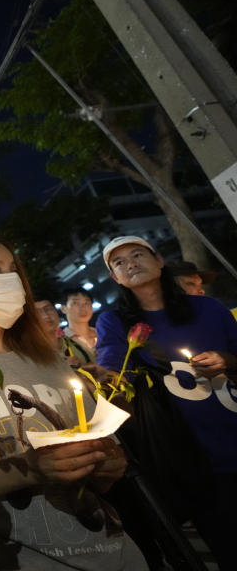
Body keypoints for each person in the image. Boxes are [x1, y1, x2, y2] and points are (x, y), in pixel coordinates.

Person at [0, 232, 146, 570]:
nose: (10, 280)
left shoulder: (50, 361)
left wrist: (108, 463)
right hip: (22, 558)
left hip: (113, 551)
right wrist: (30, 470)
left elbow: (107, 453)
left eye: (13, 269)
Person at [95, 235, 237, 568]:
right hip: (194, 459)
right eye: (119, 262)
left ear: (159, 260)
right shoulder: (114, 322)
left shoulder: (210, 309)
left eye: (137, 254)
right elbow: (114, 370)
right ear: (115, 278)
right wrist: (102, 378)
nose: (130, 263)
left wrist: (225, 360)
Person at [60, 286, 98, 356]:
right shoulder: (62, 341)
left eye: (86, 303)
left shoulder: (102, 334)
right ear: (63, 309)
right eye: (75, 303)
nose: (82, 307)